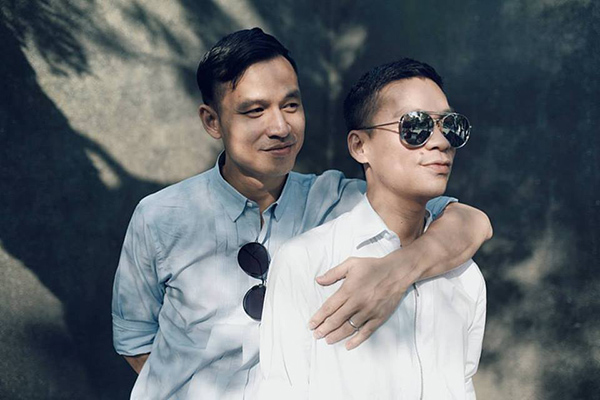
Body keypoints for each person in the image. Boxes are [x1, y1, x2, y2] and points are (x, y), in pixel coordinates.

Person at [111, 28, 491, 399]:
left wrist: (395, 272)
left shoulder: (338, 199)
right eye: (255, 110)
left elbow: (471, 223)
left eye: (290, 105)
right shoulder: (159, 217)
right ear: (212, 121)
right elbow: (135, 341)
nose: (280, 127)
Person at [259, 58, 486, 399]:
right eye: (416, 126)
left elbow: (462, 385)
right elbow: (282, 390)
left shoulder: (465, 274)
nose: (440, 142)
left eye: (450, 126)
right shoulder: (307, 262)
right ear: (359, 146)